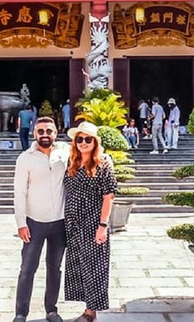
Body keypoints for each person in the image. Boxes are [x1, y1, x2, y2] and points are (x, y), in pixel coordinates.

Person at [13, 117, 69, 322]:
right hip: (34, 222)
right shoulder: (25, 158)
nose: (45, 135)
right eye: (41, 131)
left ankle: (51, 310)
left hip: (59, 222)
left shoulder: (66, 152)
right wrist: (21, 223)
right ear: (34, 133)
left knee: (54, 268)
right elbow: (19, 192)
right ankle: (21, 313)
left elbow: (90, 156)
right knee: (27, 269)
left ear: (56, 132)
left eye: (49, 131)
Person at [65, 122, 117, 322]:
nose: (83, 142)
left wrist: (103, 226)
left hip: (93, 223)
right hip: (73, 223)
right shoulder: (72, 162)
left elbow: (108, 196)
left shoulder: (103, 163)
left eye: (88, 139)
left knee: (95, 266)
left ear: (95, 142)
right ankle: (87, 308)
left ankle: (91, 313)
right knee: (80, 266)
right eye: (79, 139)